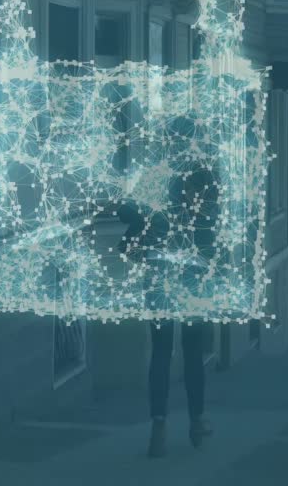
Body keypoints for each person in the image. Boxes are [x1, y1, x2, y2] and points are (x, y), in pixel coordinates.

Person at [119, 121, 215, 459]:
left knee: (161, 350)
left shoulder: (157, 176)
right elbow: (217, 224)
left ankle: (158, 424)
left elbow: (124, 208)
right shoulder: (207, 177)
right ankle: (196, 419)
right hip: (192, 273)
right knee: (192, 351)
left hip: (159, 271)